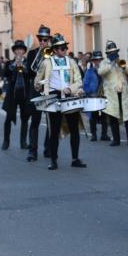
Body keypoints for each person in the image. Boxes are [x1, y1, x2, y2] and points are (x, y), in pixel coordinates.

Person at [34, 33, 87, 170]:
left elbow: (78, 81)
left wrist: (71, 88)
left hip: (69, 97)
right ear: (55, 49)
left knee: (74, 129)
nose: (64, 50)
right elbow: (37, 81)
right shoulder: (46, 63)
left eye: (65, 48)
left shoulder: (72, 62)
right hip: (54, 97)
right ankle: (53, 160)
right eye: (61, 48)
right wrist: (40, 86)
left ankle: (75, 158)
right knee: (54, 130)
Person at [98, 40, 128, 147]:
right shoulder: (104, 63)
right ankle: (116, 140)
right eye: (111, 53)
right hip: (112, 95)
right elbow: (101, 72)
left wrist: (123, 66)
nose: (113, 54)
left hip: (124, 93)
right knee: (113, 117)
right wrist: (111, 64)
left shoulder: (122, 61)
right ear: (107, 54)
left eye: (115, 52)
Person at [25, 25, 52, 161]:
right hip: (36, 91)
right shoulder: (32, 54)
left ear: (49, 40)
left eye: (45, 40)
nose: (42, 42)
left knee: (50, 121)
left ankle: (48, 149)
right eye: (41, 39)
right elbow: (29, 72)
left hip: (49, 91)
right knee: (35, 121)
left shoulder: (53, 54)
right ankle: (32, 151)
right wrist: (39, 56)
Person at [1, 40, 32, 150]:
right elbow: (5, 74)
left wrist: (23, 67)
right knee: (8, 118)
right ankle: (6, 141)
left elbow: (31, 75)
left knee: (25, 118)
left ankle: (23, 142)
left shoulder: (28, 62)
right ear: (14, 51)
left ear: (24, 51)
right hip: (12, 95)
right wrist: (14, 64)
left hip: (24, 94)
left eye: (21, 49)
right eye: (17, 49)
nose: (19, 51)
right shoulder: (9, 63)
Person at [83, 50, 110, 141]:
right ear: (93, 61)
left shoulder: (106, 71)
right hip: (93, 96)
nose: (98, 61)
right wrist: (89, 92)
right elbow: (85, 84)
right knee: (93, 117)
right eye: (96, 60)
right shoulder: (89, 72)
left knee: (104, 117)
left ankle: (104, 135)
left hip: (103, 96)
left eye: (99, 60)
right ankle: (93, 135)